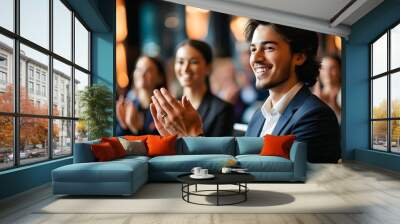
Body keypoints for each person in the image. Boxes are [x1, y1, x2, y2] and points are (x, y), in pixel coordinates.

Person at [151, 21, 340, 163]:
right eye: (253, 49)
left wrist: (193, 136)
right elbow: (238, 167)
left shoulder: (314, 116)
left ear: (299, 56)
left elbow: (260, 180)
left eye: (269, 48)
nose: (256, 58)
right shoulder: (259, 117)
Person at [150, 39, 234, 137]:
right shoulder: (170, 108)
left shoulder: (222, 109)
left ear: (208, 67)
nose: (185, 68)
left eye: (194, 62)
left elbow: (219, 151)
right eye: (180, 62)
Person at [116, 56, 166, 136]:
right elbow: (117, 139)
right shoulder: (127, 106)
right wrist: (123, 126)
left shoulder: (164, 109)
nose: (142, 74)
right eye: (139, 69)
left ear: (160, 77)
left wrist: (137, 129)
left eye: (148, 70)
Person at [313, 54, 342, 123]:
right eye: (323, 68)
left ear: (340, 70)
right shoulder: (315, 95)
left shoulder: (346, 94)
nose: (327, 73)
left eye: (332, 68)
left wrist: (334, 105)